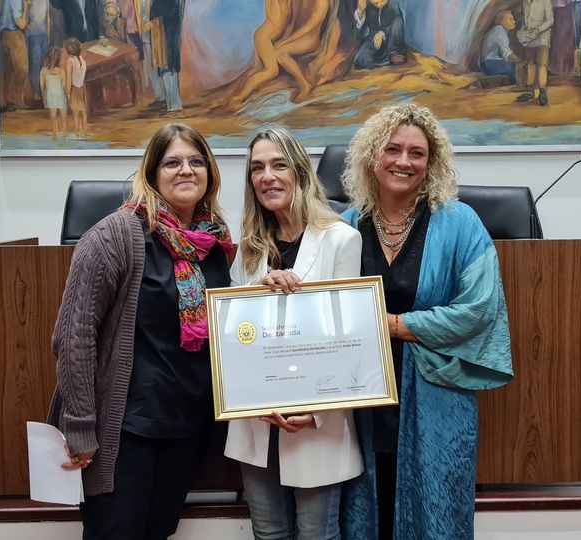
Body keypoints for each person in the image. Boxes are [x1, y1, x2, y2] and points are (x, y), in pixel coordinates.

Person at [47, 123, 235, 540]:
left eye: (196, 161)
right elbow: (73, 335)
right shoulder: (115, 235)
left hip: (185, 426)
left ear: (210, 173)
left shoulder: (211, 243)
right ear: (151, 173)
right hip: (127, 431)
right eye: (173, 162)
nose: (186, 170)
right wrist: (80, 425)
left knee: (158, 532)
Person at [337, 103, 514, 540]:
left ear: (430, 163)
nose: (403, 161)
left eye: (417, 153)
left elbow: (480, 308)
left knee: (436, 510)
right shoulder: (343, 227)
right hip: (361, 401)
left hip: (437, 395)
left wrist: (395, 326)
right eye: (392, 149)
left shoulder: (459, 223)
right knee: (365, 510)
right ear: (371, 156)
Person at [224, 128, 363, 539]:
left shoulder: (341, 239)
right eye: (257, 168)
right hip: (256, 418)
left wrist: (317, 413)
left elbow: (348, 338)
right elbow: (231, 330)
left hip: (315, 422)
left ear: (300, 172)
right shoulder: (249, 246)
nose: (267, 176)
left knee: (316, 534)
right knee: (268, 533)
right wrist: (256, 289)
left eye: (278, 164)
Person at [516, 0, 554, 106]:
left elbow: (550, 20)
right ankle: (529, 90)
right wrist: (522, 32)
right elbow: (525, 20)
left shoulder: (545, 1)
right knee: (530, 63)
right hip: (529, 39)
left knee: (542, 65)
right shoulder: (525, 2)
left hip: (542, 39)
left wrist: (538, 30)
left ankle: (542, 92)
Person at [353, 0, 406, 69]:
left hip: (390, 43)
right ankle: (386, 62)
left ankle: (394, 54)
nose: (378, 5)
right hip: (373, 41)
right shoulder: (367, 6)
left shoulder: (393, 5)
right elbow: (362, 32)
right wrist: (360, 12)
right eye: (375, 3)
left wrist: (382, 33)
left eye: (381, 2)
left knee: (398, 21)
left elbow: (397, 28)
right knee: (359, 61)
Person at [479, 10, 519, 85]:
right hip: (491, 64)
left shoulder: (496, 30)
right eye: (510, 19)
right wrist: (520, 61)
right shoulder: (500, 31)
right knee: (518, 66)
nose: (514, 22)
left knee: (516, 66)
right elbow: (507, 54)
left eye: (513, 19)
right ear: (501, 21)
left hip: (485, 64)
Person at [40, 46, 70, 141]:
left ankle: (55, 137)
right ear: (58, 59)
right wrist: (68, 96)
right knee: (63, 118)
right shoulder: (61, 71)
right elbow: (64, 86)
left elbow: (42, 87)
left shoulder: (43, 71)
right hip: (60, 96)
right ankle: (64, 135)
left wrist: (44, 98)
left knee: (53, 118)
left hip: (50, 96)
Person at [64, 38, 90, 139]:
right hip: (81, 88)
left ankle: (76, 134)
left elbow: (69, 80)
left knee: (75, 114)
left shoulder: (69, 62)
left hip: (74, 89)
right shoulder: (82, 61)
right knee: (83, 112)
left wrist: (68, 94)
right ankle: (85, 132)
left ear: (68, 51)